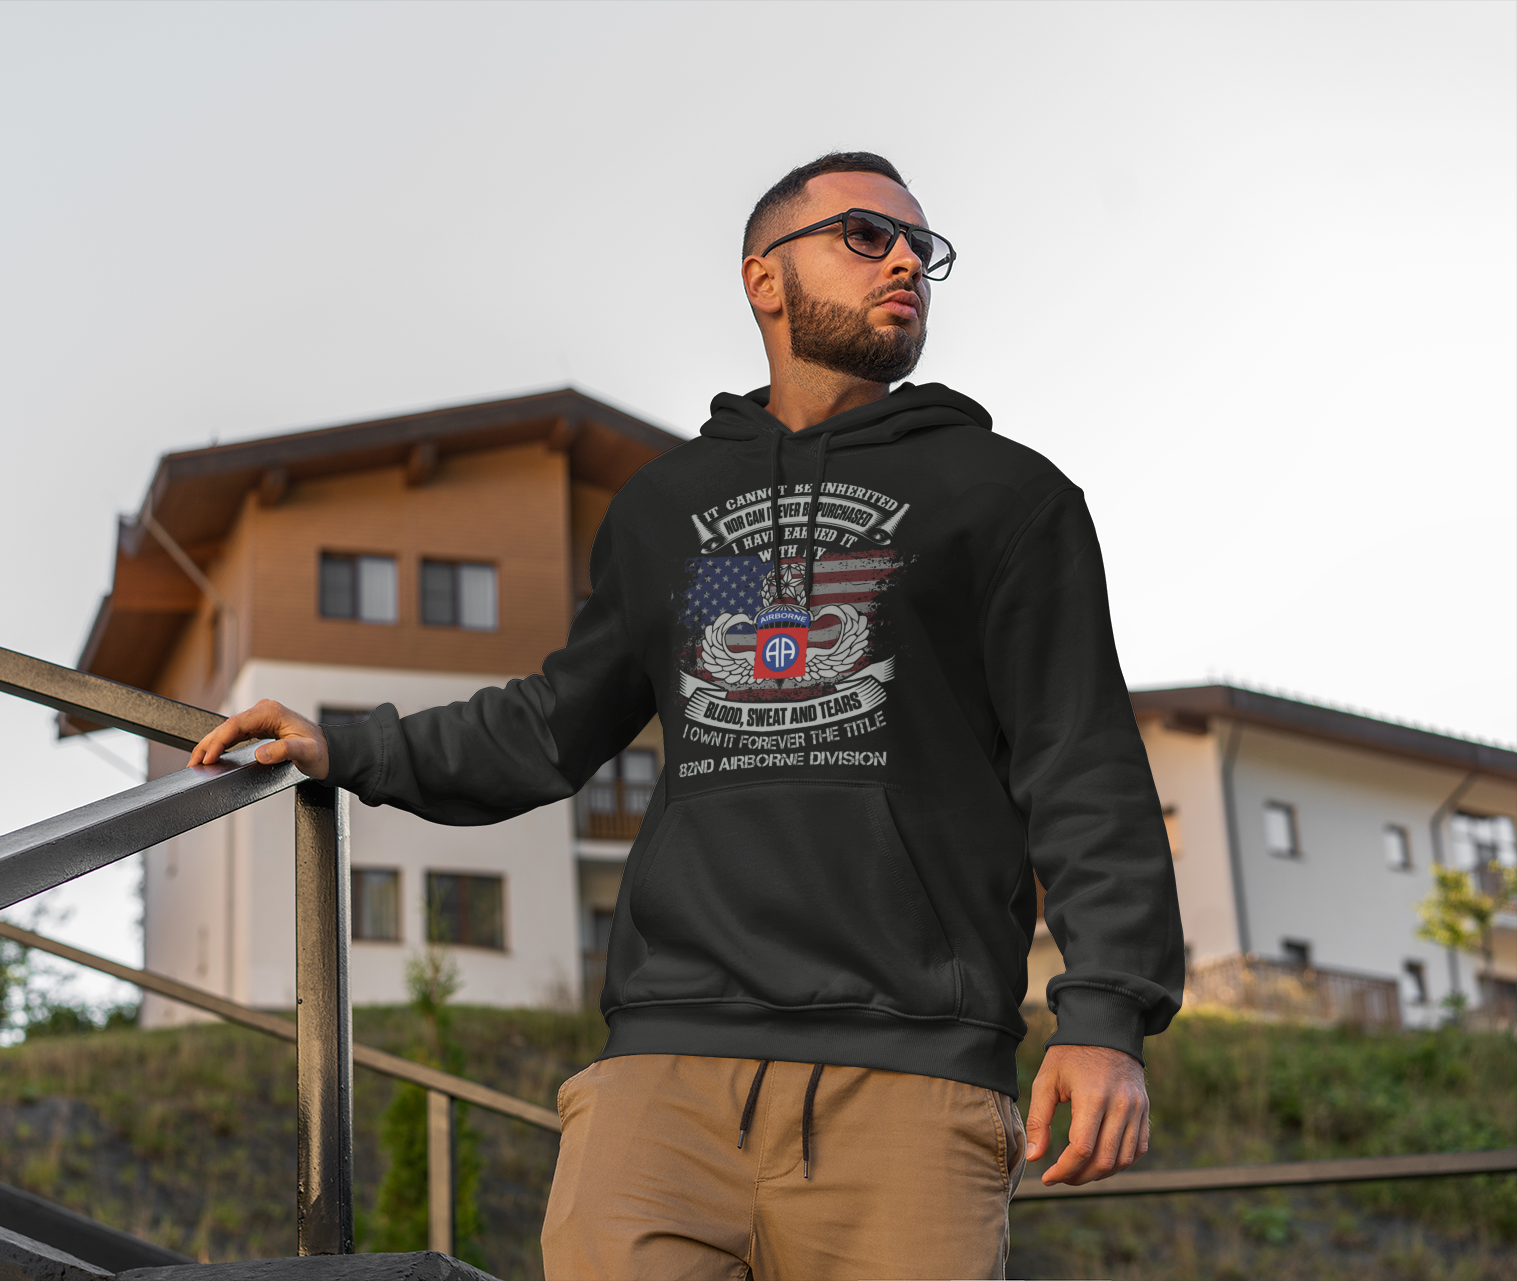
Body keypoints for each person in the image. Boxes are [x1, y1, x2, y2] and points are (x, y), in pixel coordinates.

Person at [190, 151, 1184, 1280]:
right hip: (661, 1081)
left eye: (922, 248)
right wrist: (351, 744)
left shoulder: (1008, 497)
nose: (907, 259)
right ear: (766, 278)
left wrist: (1106, 1016)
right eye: (866, 235)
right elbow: (555, 724)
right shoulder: (670, 508)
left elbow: (1081, 760)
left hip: (908, 1079)